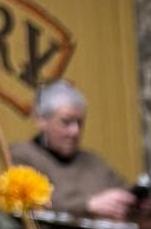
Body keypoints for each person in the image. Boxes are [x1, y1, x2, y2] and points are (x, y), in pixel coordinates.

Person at [10, 81, 136, 220]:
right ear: (41, 120)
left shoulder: (93, 161)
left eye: (80, 123)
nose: (75, 131)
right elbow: (30, 205)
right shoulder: (21, 155)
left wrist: (136, 203)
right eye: (66, 122)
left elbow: (123, 190)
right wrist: (87, 205)